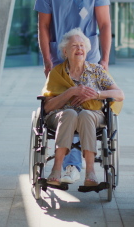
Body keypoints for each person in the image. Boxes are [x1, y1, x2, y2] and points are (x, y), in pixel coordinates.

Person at [34, 0, 112, 184]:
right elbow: (43, 27)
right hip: (59, 58)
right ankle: (72, 166)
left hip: (88, 57)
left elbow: (105, 24)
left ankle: (72, 166)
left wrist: (105, 61)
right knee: (66, 108)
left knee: (84, 108)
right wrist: (48, 60)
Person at [41, 28, 124, 187]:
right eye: (74, 46)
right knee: (70, 113)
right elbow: (47, 107)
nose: (79, 49)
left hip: (92, 115)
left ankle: (90, 172)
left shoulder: (97, 71)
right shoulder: (56, 73)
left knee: (85, 115)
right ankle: (56, 169)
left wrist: (97, 94)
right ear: (65, 51)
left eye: (82, 46)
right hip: (61, 116)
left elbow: (119, 94)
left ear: (86, 50)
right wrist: (70, 92)